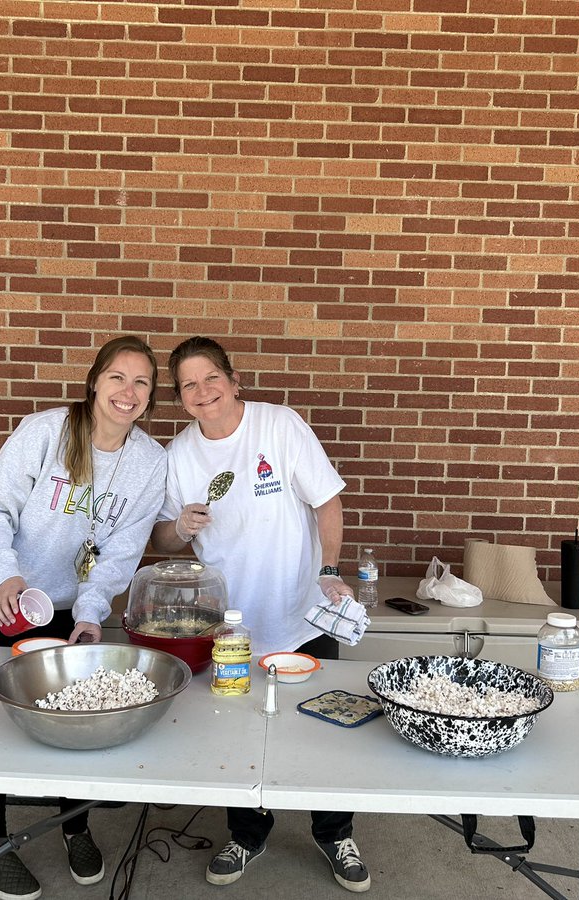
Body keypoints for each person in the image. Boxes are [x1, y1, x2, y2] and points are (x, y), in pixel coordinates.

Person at [151, 336, 370, 893]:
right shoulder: (178, 456)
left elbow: (327, 502)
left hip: (302, 613)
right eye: (188, 385)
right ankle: (247, 833)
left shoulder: (280, 426)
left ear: (234, 379)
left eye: (210, 379)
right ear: (180, 397)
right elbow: (161, 538)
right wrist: (178, 529)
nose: (203, 393)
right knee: (237, 733)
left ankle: (335, 832)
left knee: (326, 729)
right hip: (231, 627)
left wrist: (328, 570)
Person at [0, 335, 167, 900]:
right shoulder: (46, 432)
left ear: (151, 397)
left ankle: (74, 826)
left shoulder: (150, 461)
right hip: (2, 597)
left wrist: (95, 612)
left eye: (142, 382)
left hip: (69, 609)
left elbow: (124, 550)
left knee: (76, 720)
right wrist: (5, 573)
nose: (128, 392)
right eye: (118, 377)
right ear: (95, 381)